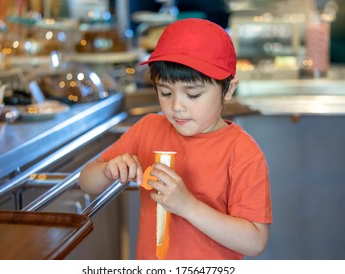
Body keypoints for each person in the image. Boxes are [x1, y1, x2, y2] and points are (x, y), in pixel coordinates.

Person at [79, 18, 272, 260]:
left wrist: (188, 206)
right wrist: (108, 170)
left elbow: (255, 241)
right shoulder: (148, 129)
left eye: (193, 94)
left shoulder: (242, 152)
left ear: (229, 89)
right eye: (165, 92)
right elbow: (86, 181)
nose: (177, 107)